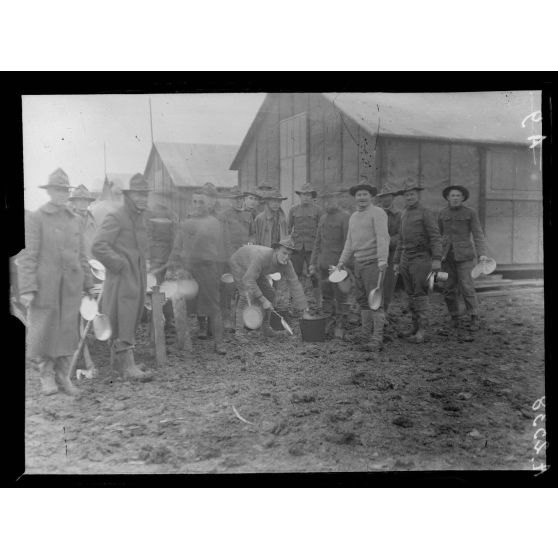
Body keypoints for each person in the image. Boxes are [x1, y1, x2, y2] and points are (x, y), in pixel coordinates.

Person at [18, 168, 94, 396]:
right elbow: (29, 255)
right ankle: (46, 377)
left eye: (63, 190)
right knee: (46, 331)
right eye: (56, 190)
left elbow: (82, 254)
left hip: (71, 286)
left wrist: (88, 282)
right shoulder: (37, 217)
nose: (60, 194)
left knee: (67, 331)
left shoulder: (76, 221)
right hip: (46, 286)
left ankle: (64, 377)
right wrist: (29, 287)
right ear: (49, 192)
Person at [91, 173, 153, 380]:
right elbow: (98, 246)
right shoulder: (116, 216)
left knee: (133, 316)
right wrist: (120, 264)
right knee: (123, 317)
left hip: (138, 276)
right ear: (128, 196)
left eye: (145, 194)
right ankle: (127, 367)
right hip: (121, 278)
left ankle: (122, 364)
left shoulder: (139, 218)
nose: (142, 198)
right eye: (138, 194)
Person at [331, 180, 390, 351]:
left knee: (375, 301)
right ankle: (365, 335)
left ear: (371, 196)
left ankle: (377, 338)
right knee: (363, 301)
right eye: (359, 195)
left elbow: (382, 237)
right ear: (355, 198)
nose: (362, 197)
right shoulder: (354, 217)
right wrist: (341, 262)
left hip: (374, 263)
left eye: (365, 194)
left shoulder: (377, 213)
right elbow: (349, 242)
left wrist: (382, 259)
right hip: (359, 263)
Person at [168, 190, 227, 355]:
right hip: (188, 269)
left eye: (201, 202)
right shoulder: (185, 223)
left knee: (214, 306)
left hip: (208, 268)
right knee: (181, 305)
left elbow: (220, 248)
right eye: (194, 202)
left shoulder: (214, 222)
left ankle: (219, 343)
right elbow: (177, 247)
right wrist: (171, 266)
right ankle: (184, 343)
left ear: (208, 204)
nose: (197, 205)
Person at [229, 236, 312, 342]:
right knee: (246, 295)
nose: (286, 257)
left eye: (289, 255)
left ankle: (265, 328)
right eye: (284, 253)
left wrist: (304, 309)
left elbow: (295, 284)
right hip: (240, 263)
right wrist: (262, 300)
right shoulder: (262, 257)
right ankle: (239, 332)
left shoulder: (287, 264)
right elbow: (248, 280)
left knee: (270, 293)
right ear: (276, 250)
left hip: (255, 269)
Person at [393, 178, 443, 343]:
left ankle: (422, 330)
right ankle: (414, 327)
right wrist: (396, 261)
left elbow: (435, 237)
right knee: (410, 293)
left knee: (420, 292)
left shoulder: (425, 212)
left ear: (418, 195)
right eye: (407, 195)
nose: (409, 198)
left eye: (412, 194)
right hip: (406, 258)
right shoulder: (404, 213)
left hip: (421, 258)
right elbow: (401, 239)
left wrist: (436, 259)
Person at [439, 184, 490, 331]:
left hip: (465, 257)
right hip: (446, 257)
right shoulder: (442, 213)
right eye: (452, 196)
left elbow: (478, 234)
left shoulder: (470, 213)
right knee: (448, 288)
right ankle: (454, 317)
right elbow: (438, 236)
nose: (455, 198)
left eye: (458, 196)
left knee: (467, 286)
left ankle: (474, 317)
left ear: (462, 198)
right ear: (448, 198)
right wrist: (437, 255)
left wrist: (482, 253)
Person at [309, 189, 350, 339]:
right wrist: (313, 263)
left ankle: (340, 326)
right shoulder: (323, 218)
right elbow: (317, 243)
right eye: (325, 200)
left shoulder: (345, 217)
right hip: (323, 266)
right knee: (326, 297)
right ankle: (329, 324)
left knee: (341, 297)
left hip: (338, 266)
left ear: (338, 200)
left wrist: (344, 264)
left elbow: (348, 244)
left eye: (332, 199)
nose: (328, 203)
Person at [219, 187, 255, 330]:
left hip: (245, 258)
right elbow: (224, 239)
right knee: (228, 290)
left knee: (244, 288)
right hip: (229, 258)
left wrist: (251, 244)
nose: (238, 201)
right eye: (235, 199)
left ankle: (243, 320)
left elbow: (252, 234)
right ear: (230, 200)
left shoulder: (248, 215)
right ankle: (227, 320)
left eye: (240, 198)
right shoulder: (224, 215)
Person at [288, 183, 322, 305]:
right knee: (295, 274)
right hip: (297, 248)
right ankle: (295, 301)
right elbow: (288, 229)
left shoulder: (318, 210)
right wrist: (288, 246)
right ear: (300, 196)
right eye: (304, 195)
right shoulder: (293, 210)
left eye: (308, 195)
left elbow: (321, 229)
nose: (306, 197)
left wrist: (319, 248)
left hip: (312, 248)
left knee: (314, 274)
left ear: (312, 196)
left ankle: (318, 301)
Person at [374, 183, 402, 317]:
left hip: (391, 254)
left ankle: (384, 311)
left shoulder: (398, 215)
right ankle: (372, 310)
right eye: (384, 197)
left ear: (393, 198)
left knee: (388, 284)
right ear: (380, 198)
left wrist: (388, 242)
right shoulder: (374, 212)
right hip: (374, 253)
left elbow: (400, 235)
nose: (386, 199)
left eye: (389, 196)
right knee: (373, 282)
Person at [68, 184, 98, 258]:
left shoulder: (93, 222)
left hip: (93, 263)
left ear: (89, 202)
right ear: (74, 202)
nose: (83, 202)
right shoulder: (68, 221)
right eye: (79, 200)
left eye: (85, 200)